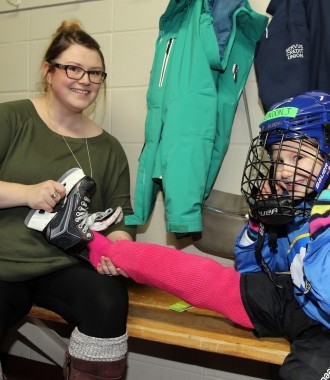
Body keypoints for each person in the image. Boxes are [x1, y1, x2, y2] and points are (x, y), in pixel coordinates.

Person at [82, 91, 330, 380]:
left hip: (323, 326)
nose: (284, 171)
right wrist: (262, 226)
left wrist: (319, 225)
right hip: (297, 302)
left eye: (297, 156)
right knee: (213, 280)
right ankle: (103, 247)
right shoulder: (299, 205)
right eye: (278, 159)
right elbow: (255, 271)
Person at [0, 20, 136, 380]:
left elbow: (120, 221)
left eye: (95, 73)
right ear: (48, 71)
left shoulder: (109, 148)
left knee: (109, 299)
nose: (85, 80)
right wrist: (26, 194)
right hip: (3, 262)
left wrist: (119, 251)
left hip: (65, 266)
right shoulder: (11, 118)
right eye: (73, 68)